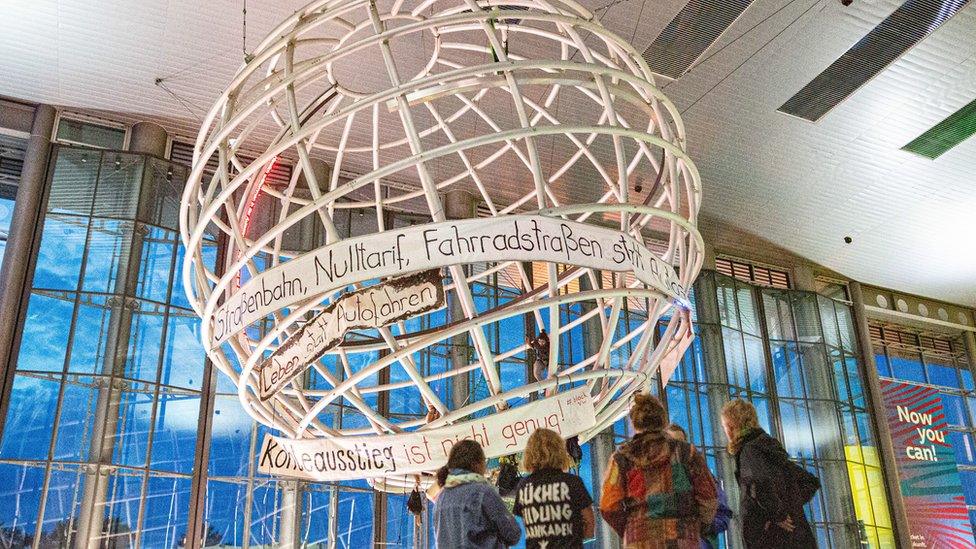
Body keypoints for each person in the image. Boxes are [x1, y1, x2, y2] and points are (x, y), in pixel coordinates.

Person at [600, 393, 718, 548]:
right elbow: (709, 496)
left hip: (640, 541)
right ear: (663, 420)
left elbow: (609, 505)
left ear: (635, 423)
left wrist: (630, 528)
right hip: (683, 539)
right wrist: (695, 526)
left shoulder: (622, 458)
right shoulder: (686, 453)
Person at [721, 399, 818, 549]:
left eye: (725, 426)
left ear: (731, 426)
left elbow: (759, 482)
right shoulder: (769, 449)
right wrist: (789, 508)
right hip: (795, 537)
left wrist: (776, 515)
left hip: (769, 539)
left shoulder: (749, 451)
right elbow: (810, 482)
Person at [513, 428, 595, 548]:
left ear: (529, 455)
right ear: (560, 451)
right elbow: (589, 522)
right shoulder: (573, 482)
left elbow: (525, 523)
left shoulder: (524, 487)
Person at [433, 439, 522, 548]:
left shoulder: (441, 499)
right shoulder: (482, 492)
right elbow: (512, 534)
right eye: (485, 461)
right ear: (476, 464)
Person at [666, 423, 732, 549]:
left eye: (680, 444)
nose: (677, 449)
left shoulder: (704, 478)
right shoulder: (658, 481)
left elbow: (722, 513)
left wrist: (703, 527)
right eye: (672, 444)